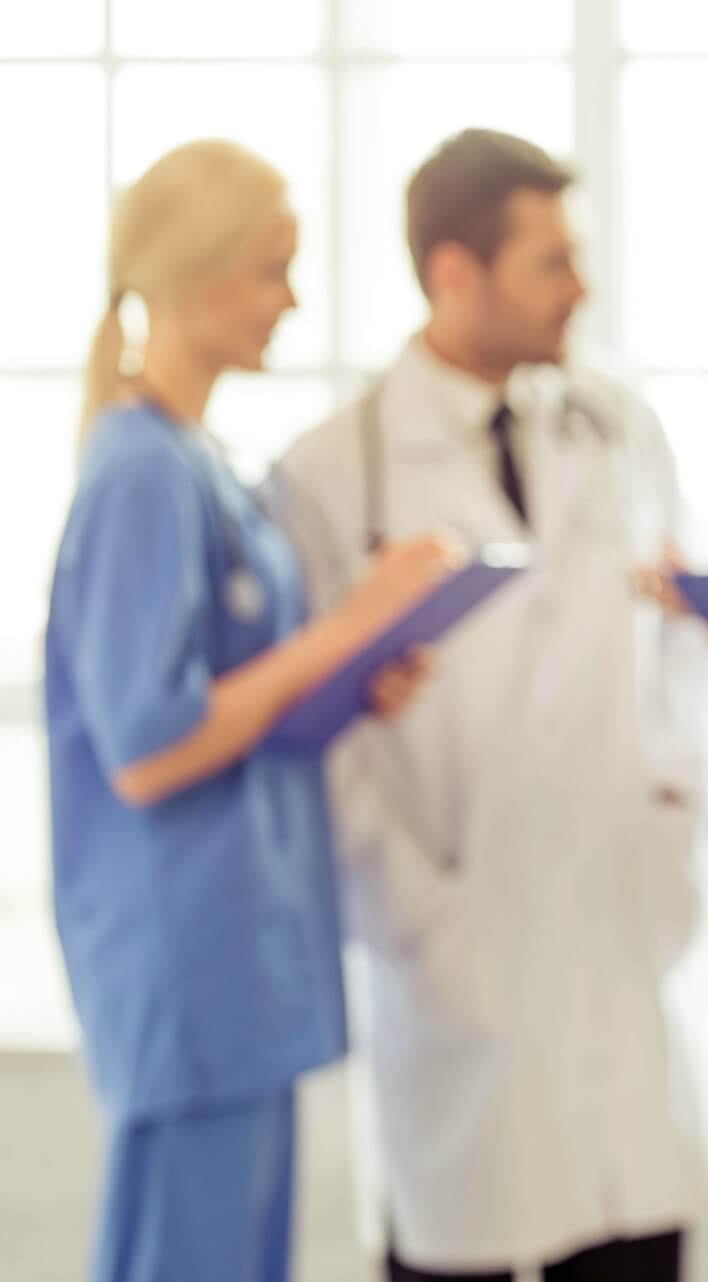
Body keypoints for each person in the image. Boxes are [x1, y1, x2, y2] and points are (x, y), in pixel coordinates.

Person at [270, 128, 708, 1282]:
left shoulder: (617, 427)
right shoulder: (332, 470)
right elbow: (324, 730)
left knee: (632, 1244)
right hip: (455, 944)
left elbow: (680, 649)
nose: (583, 287)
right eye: (552, 261)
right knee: (457, 1242)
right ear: (455, 272)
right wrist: (417, 907)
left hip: (616, 924)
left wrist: (674, 818)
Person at [45, 139, 451, 1282]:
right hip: (189, 966)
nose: (291, 301)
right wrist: (350, 619)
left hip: (243, 958)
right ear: (199, 275)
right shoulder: (138, 474)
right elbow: (148, 747)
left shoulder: (204, 463)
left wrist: (349, 691)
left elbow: (235, 712)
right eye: (273, 270)